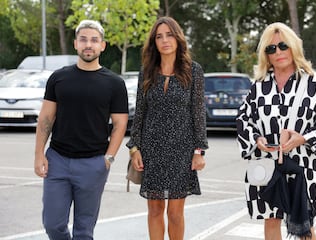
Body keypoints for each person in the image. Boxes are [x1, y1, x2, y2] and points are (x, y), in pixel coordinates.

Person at [236, 22, 316, 240]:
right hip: (268, 162)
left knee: (305, 226)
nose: (278, 52)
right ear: (266, 55)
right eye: (271, 49)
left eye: (283, 45)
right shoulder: (258, 86)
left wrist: (303, 138)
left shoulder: (312, 83)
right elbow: (243, 119)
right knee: (271, 219)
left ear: (293, 47)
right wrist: (256, 139)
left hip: (304, 164)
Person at [34, 19, 128, 240]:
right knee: (53, 225)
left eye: (94, 40)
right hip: (57, 160)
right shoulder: (59, 78)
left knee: (84, 231)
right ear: (76, 43)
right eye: (84, 39)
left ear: (102, 46)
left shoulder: (114, 83)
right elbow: (46, 118)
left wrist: (109, 159)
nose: (89, 44)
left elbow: (120, 124)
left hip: (93, 164)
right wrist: (39, 154)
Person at [126, 16, 208, 240]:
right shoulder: (147, 71)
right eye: (159, 36)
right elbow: (140, 113)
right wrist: (135, 148)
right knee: (154, 210)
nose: (165, 40)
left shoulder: (194, 71)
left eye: (169, 35)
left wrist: (199, 151)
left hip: (181, 150)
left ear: (178, 37)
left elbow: (198, 113)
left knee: (175, 213)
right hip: (151, 150)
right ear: (154, 42)